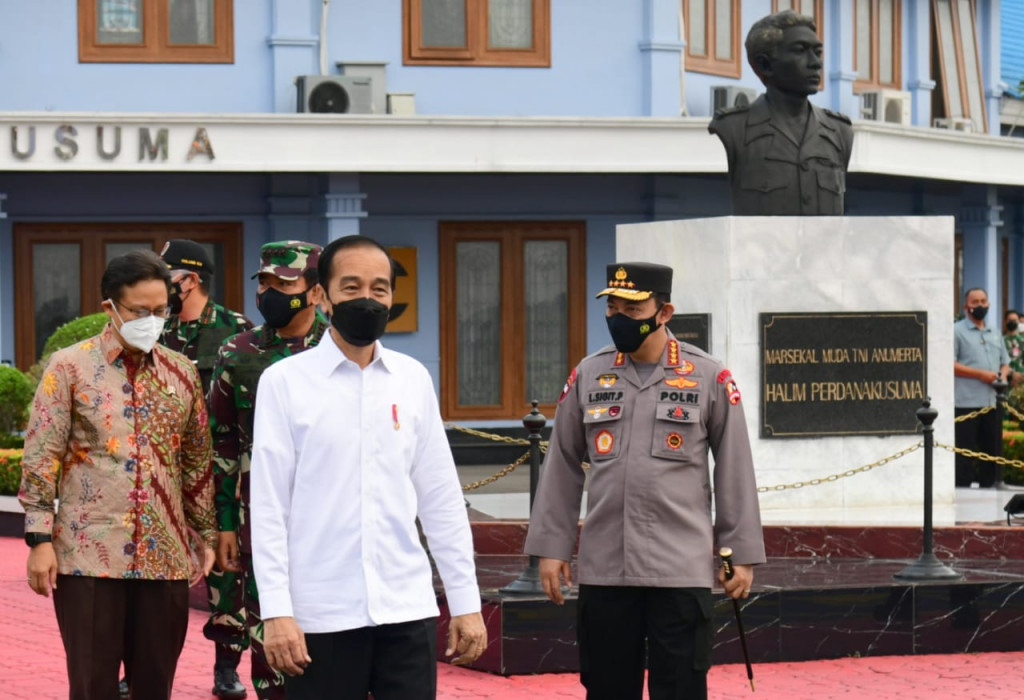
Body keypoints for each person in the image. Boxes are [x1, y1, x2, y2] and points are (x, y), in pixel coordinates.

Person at [249, 235, 487, 700]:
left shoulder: (412, 379)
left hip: (406, 608)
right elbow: (269, 507)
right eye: (352, 286)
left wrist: (466, 603)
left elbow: (440, 499)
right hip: (320, 615)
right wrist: (276, 611)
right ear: (321, 295)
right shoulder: (284, 383)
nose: (367, 299)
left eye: (380, 289)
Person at [524, 262, 765, 700]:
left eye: (632, 309)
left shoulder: (708, 376)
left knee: (681, 689)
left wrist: (741, 553)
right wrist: (552, 547)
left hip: (678, 572)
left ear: (664, 312)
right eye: (612, 307)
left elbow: (734, 466)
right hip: (606, 571)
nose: (619, 318)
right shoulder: (590, 374)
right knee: (607, 688)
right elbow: (560, 464)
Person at [19, 249, 216, 700]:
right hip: (88, 557)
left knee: (155, 685)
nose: (152, 320)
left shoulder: (182, 373)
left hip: (164, 557)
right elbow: (41, 456)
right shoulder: (69, 367)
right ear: (111, 307)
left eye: (161, 310)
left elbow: (196, 460)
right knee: (92, 685)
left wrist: (204, 531)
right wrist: (38, 540)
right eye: (140, 312)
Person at [209, 241, 330, 700]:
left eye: (284, 283)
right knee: (270, 651)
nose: (270, 292)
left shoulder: (340, 349)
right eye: (264, 282)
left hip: (328, 520)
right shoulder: (237, 352)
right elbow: (219, 441)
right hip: (258, 521)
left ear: (316, 293)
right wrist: (223, 524)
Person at [159, 238, 254, 699]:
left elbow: (242, 403)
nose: (161, 285)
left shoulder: (234, 329)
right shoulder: (153, 328)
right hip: (163, 474)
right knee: (156, 575)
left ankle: (226, 666)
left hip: (218, 474)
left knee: (225, 574)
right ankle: (142, 666)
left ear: (190, 279)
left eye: (167, 276)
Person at [708, 10, 853, 216]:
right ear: (766, 64)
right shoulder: (733, 129)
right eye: (801, 51)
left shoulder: (839, 133)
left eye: (817, 52)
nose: (816, 63)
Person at [954, 288, 1011, 488]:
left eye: (983, 301)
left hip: (992, 402)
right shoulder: (956, 331)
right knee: (964, 452)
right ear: (966, 306)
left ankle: (992, 487)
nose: (980, 305)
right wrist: (980, 374)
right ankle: (961, 490)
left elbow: (1005, 362)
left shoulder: (994, 332)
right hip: (965, 403)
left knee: (992, 450)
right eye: (975, 301)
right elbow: (950, 364)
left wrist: (1002, 376)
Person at [1003, 309, 1024, 386]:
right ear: (1005, 321)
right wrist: (1012, 374)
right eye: (1009, 320)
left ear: (1018, 321)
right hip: (1006, 382)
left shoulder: (1022, 340)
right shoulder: (1001, 341)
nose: (1012, 322)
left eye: (1014, 320)